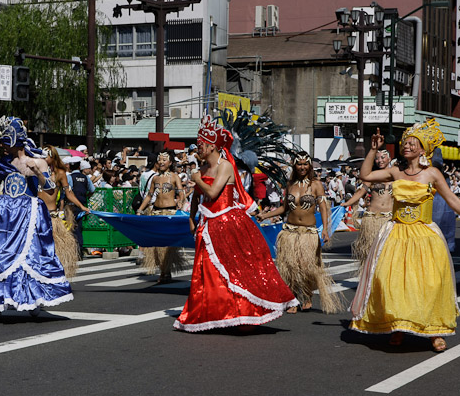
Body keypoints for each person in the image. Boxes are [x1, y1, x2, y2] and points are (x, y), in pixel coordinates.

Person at [350, 122, 460, 352]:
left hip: (425, 235)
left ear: (423, 149)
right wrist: (373, 149)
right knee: (391, 282)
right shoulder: (396, 171)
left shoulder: (432, 174)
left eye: (413, 143)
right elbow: (365, 175)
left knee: (428, 284)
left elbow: (453, 200)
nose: (407, 146)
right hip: (396, 233)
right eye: (406, 142)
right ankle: (397, 326)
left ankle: (434, 331)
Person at [174, 117, 298, 332]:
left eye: (201, 144)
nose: (198, 148)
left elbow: (212, 193)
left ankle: (246, 313)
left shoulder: (225, 167)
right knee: (211, 275)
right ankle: (218, 314)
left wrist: (197, 178)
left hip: (229, 223)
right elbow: (197, 197)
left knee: (237, 271)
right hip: (208, 225)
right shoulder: (203, 168)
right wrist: (191, 219)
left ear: (212, 145)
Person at [0, 117, 73, 320]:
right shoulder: (2, 162)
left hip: (28, 212)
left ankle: (33, 300)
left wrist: (39, 173)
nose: (1, 145)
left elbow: (50, 189)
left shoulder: (37, 161)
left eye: (4, 140)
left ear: (15, 140)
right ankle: (0, 299)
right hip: (4, 216)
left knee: (31, 257)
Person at [258, 152, 343, 314]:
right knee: (290, 267)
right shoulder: (290, 184)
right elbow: (284, 208)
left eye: (305, 164)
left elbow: (323, 208)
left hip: (308, 233)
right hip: (289, 231)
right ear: (294, 166)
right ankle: (293, 299)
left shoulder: (316, 184)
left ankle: (307, 294)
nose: (302, 167)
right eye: (299, 164)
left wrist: (325, 228)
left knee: (307, 267)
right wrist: (265, 215)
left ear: (309, 166)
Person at [136, 151, 188, 284]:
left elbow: (181, 193)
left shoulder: (174, 177)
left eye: (164, 160)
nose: (161, 162)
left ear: (170, 163)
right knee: (157, 244)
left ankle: (166, 271)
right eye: (160, 160)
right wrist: (140, 209)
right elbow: (149, 195)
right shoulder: (155, 178)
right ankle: (163, 270)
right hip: (156, 212)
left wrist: (181, 203)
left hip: (170, 213)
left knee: (168, 245)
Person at [40, 145, 89, 278]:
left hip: (52, 216)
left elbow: (69, 193)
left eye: (46, 156)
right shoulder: (35, 172)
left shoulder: (60, 173)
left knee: (55, 249)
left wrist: (82, 206)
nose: (42, 157)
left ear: (53, 156)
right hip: (37, 215)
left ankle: (55, 276)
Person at [341, 149, 394, 265]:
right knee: (371, 254)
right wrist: (347, 203)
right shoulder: (372, 176)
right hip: (372, 218)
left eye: (383, 157)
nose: (380, 160)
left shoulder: (397, 176)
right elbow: (360, 192)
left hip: (389, 220)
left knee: (388, 253)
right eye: (377, 158)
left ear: (389, 159)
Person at [67, 160, 95, 257]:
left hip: (71, 206)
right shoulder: (86, 178)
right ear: (79, 167)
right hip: (82, 206)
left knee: (71, 228)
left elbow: (67, 191)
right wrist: (86, 197)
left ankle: (73, 251)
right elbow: (92, 190)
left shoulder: (69, 177)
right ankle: (80, 251)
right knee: (78, 227)